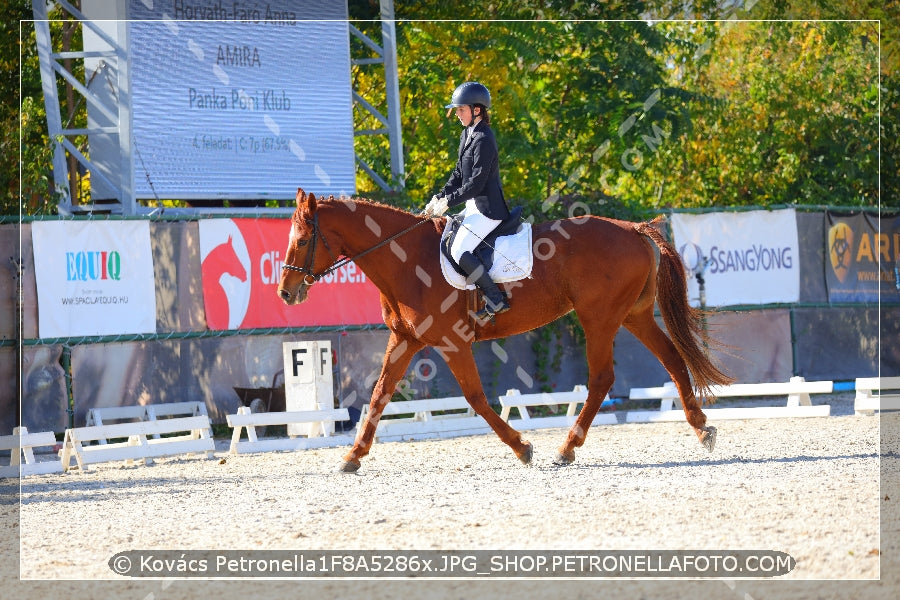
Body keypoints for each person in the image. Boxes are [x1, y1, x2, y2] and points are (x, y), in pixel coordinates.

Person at [423, 81, 512, 319]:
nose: (457, 114)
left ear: (477, 110)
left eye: (461, 109)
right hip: (472, 205)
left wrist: (449, 202)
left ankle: (496, 299)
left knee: (460, 250)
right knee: (446, 238)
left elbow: (476, 184)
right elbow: (458, 175)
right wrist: (439, 196)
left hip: (488, 210)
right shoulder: (467, 134)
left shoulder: (484, 139)